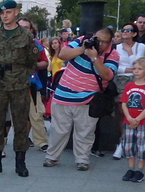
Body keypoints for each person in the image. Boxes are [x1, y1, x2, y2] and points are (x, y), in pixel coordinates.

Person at [43, 27, 120, 171]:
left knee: (85, 132)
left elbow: (107, 76)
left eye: (104, 42)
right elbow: (62, 55)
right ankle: (51, 157)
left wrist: (94, 58)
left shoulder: (113, 54)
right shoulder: (81, 41)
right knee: (58, 130)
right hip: (63, 95)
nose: (100, 44)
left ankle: (82, 160)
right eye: (98, 40)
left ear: (110, 42)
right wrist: (83, 48)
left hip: (89, 99)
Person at [0, 0, 39, 177]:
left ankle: (20, 162)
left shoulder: (26, 36)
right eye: (2, 13)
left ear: (16, 12)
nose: (5, 16)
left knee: (20, 123)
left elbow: (32, 61)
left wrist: (21, 75)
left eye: (8, 12)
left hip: (19, 85)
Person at [120, 57, 145, 182]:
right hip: (129, 121)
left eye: (140, 69)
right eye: (135, 68)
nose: (136, 71)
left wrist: (137, 119)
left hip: (143, 122)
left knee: (142, 146)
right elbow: (124, 103)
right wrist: (130, 118)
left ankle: (139, 170)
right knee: (128, 145)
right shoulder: (129, 86)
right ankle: (130, 168)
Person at [112, 23, 145, 159]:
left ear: (134, 34)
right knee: (122, 111)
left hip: (136, 81)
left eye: (128, 30)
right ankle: (123, 141)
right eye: (123, 30)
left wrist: (129, 51)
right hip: (120, 80)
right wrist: (131, 69)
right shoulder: (116, 47)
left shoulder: (140, 47)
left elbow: (139, 64)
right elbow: (116, 67)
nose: (125, 32)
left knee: (134, 111)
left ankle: (133, 140)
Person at [18, 17, 49, 152]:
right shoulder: (6, 42)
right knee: (11, 116)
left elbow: (45, 63)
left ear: (31, 30)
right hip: (9, 84)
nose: (23, 30)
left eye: (27, 27)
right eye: (21, 27)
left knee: (36, 114)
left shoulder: (36, 44)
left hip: (30, 83)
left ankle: (41, 142)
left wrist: (32, 65)